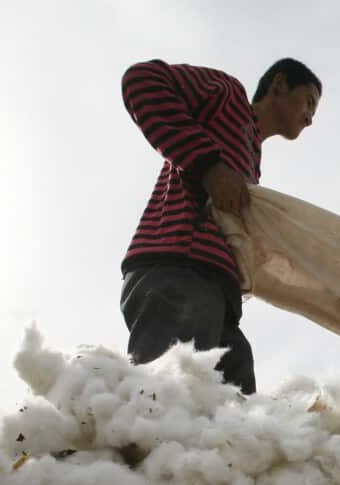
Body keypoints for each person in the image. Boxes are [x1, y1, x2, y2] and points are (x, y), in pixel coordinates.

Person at [118, 57, 322, 394]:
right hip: (179, 269)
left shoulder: (251, 156)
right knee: (165, 400)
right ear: (280, 85)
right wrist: (209, 166)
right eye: (309, 101)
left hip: (218, 294)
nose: (311, 118)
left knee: (236, 405)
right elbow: (141, 79)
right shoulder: (227, 97)